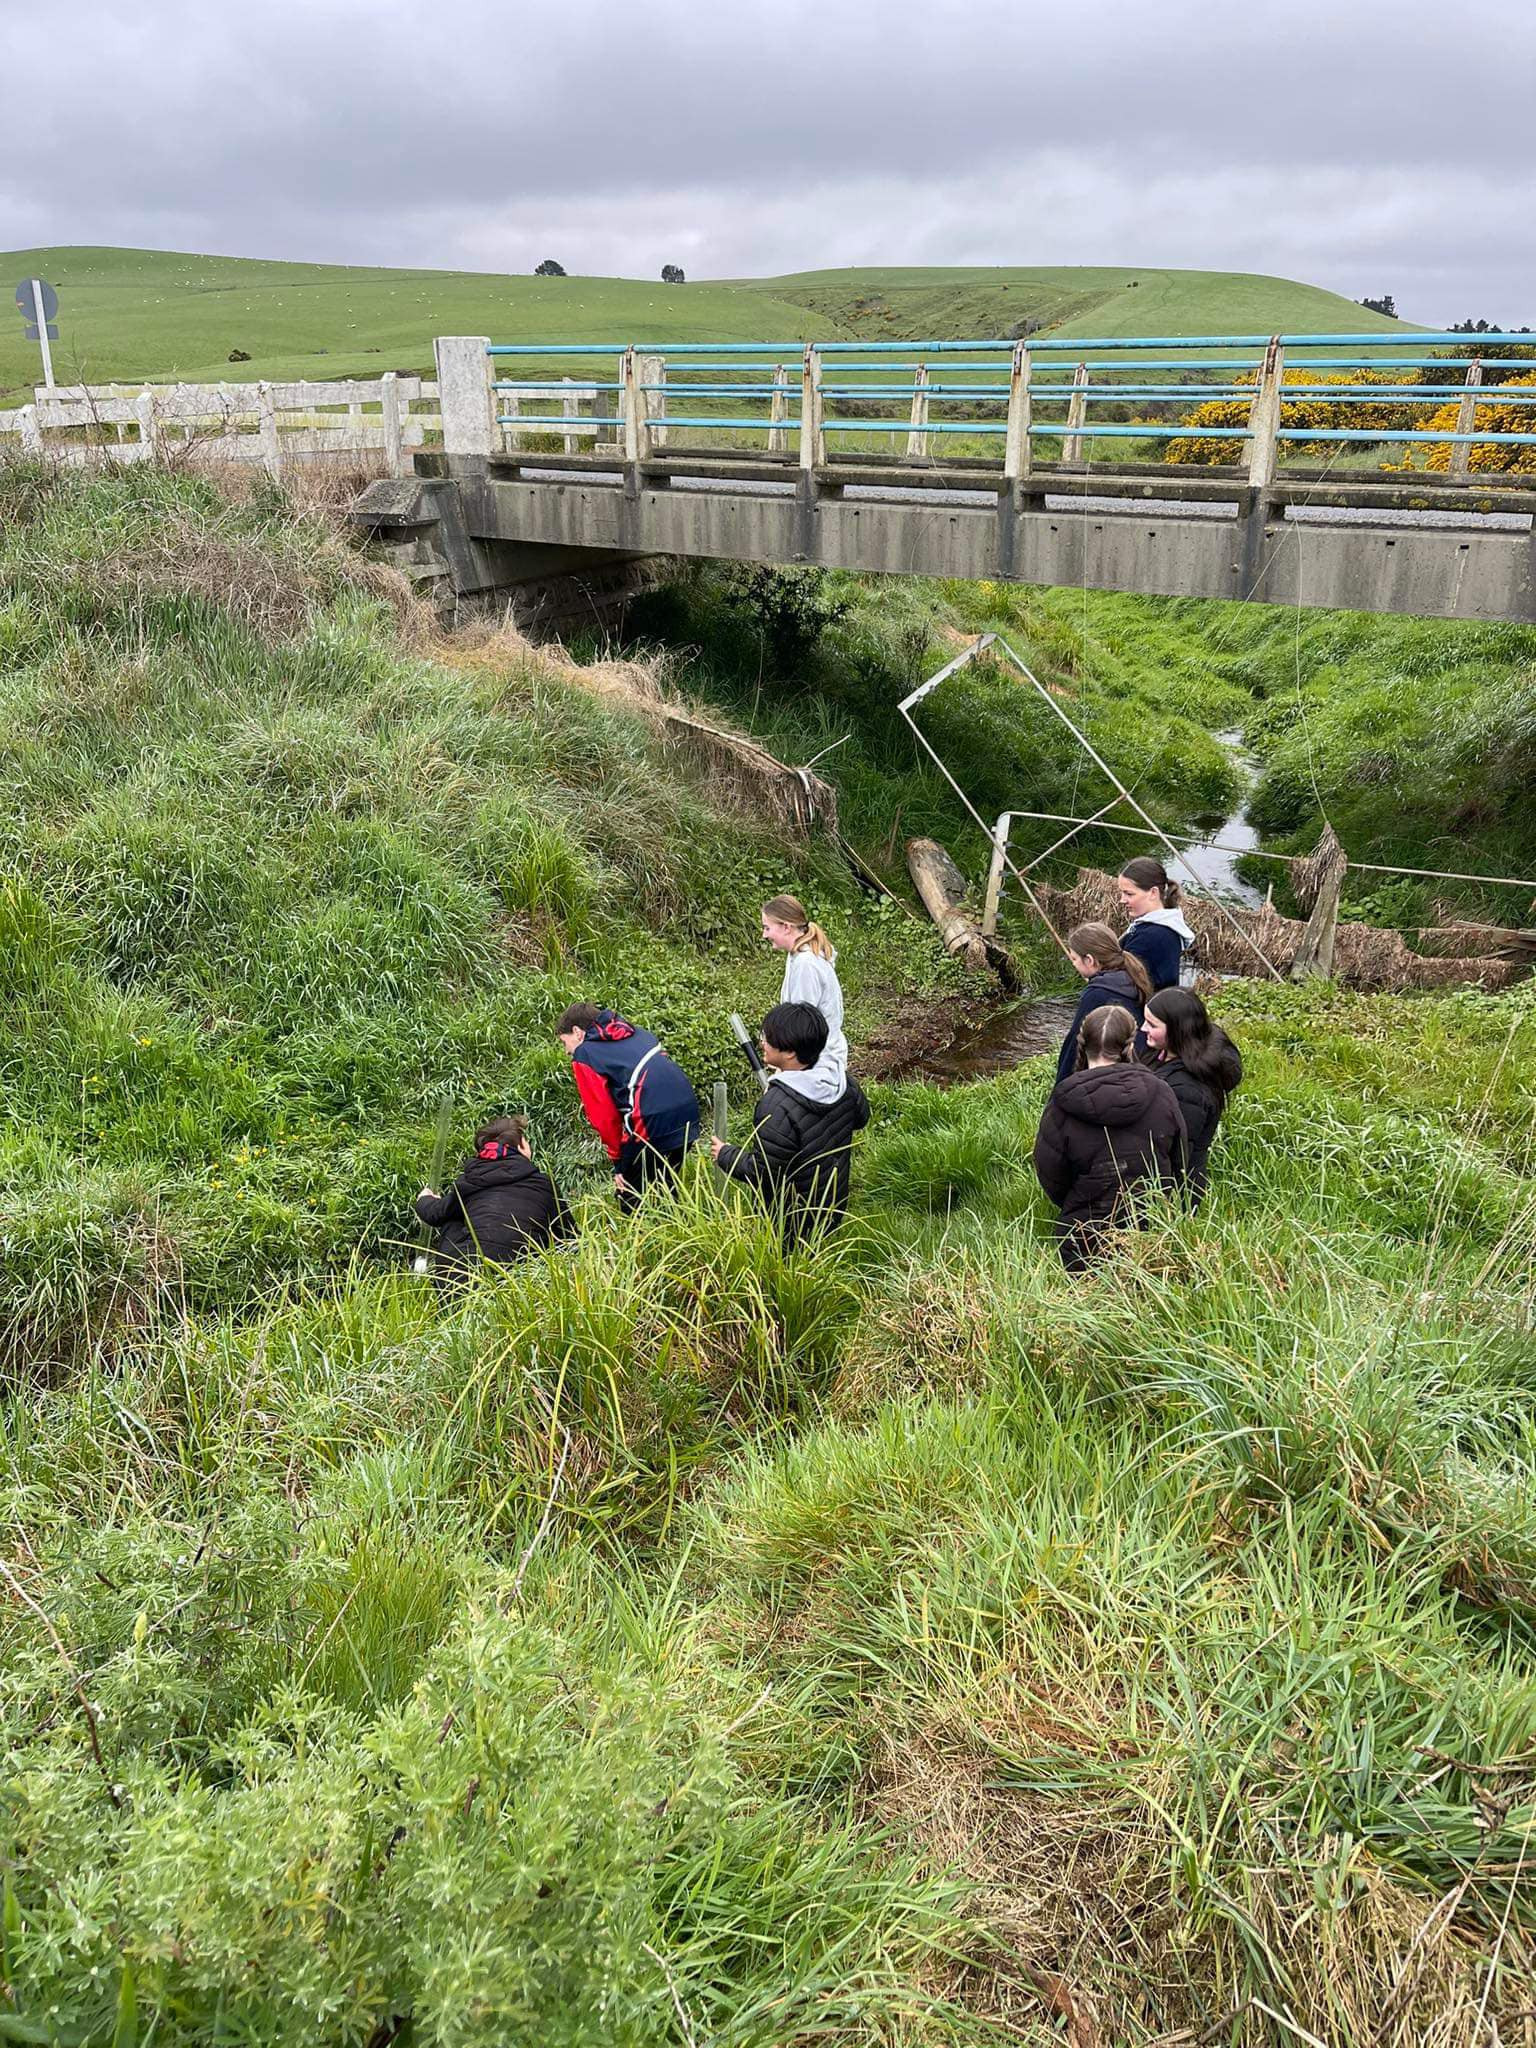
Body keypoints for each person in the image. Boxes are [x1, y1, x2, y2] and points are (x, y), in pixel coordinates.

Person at [1033, 1004, 1188, 1271]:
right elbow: (1178, 1156)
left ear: (1082, 1043)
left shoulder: (1062, 1105)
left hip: (1083, 1237)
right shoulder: (1162, 1091)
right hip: (1152, 1228)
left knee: (1084, 1303)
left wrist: (1078, 1199)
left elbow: (1050, 1173)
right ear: (1129, 1047)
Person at [710, 1001, 870, 1247]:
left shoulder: (776, 1105)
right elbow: (861, 1117)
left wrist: (725, 1154)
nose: (762, 1043)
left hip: (792, 1219)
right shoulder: (841, 1081)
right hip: (832, 1202)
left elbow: (763, 1173)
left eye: (768, 1039)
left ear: (790, 1052)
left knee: (787, 1263)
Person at [556, 1002, 702, 1210]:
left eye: (564, 1042)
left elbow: (604, 1117)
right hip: (688, 1114)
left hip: (651, 1122)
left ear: (578, 1032)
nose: (566, 1051)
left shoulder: (586, 1053)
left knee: (631, 1199)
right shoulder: (639, 1033)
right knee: (664, 1187)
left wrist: (619, 1164)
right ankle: (683, 1229)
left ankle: (648, 1239)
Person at [414, 1115, 574, 1280]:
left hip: (461, 1285)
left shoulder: (470, 1181)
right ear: (521, 1146)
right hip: (524, 1280)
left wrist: (424, 1199)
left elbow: (435, 1213)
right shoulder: (543, 1183)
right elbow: (568, 1237)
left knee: (453, 1218)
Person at [1141, 988, 1243, 1204]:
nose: (1143, 1028)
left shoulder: (1187, 1091)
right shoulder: (1168, 1051)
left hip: (1174, 1196)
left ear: (1177, 1030)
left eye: (1151, 1024)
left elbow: (1177, 1155)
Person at [761, 894, 847, 1083]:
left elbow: (800, 1028)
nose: (764, 935)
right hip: (812, 1060)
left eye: (767, 928)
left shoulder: (806, 965)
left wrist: (781, 1074)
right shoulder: (797, 955)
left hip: (816, 1065)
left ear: (786, 927)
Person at [1054, 922, 1152, 1086]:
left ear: (1090, 960)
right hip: (1137, 1069)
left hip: (1111, 1076)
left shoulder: (1098, 994)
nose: (1073, 964)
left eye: (1074, 959)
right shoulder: (1131, 977)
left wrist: (1061, 1088)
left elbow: (1076, 1042)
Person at [1117, 857, 1196, 993]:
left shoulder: (1151, 937)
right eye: (1122, 892)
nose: (1122, 900)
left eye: (1129, 894)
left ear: (1153, 893)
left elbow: (1121, 983)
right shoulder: (1163, 926)